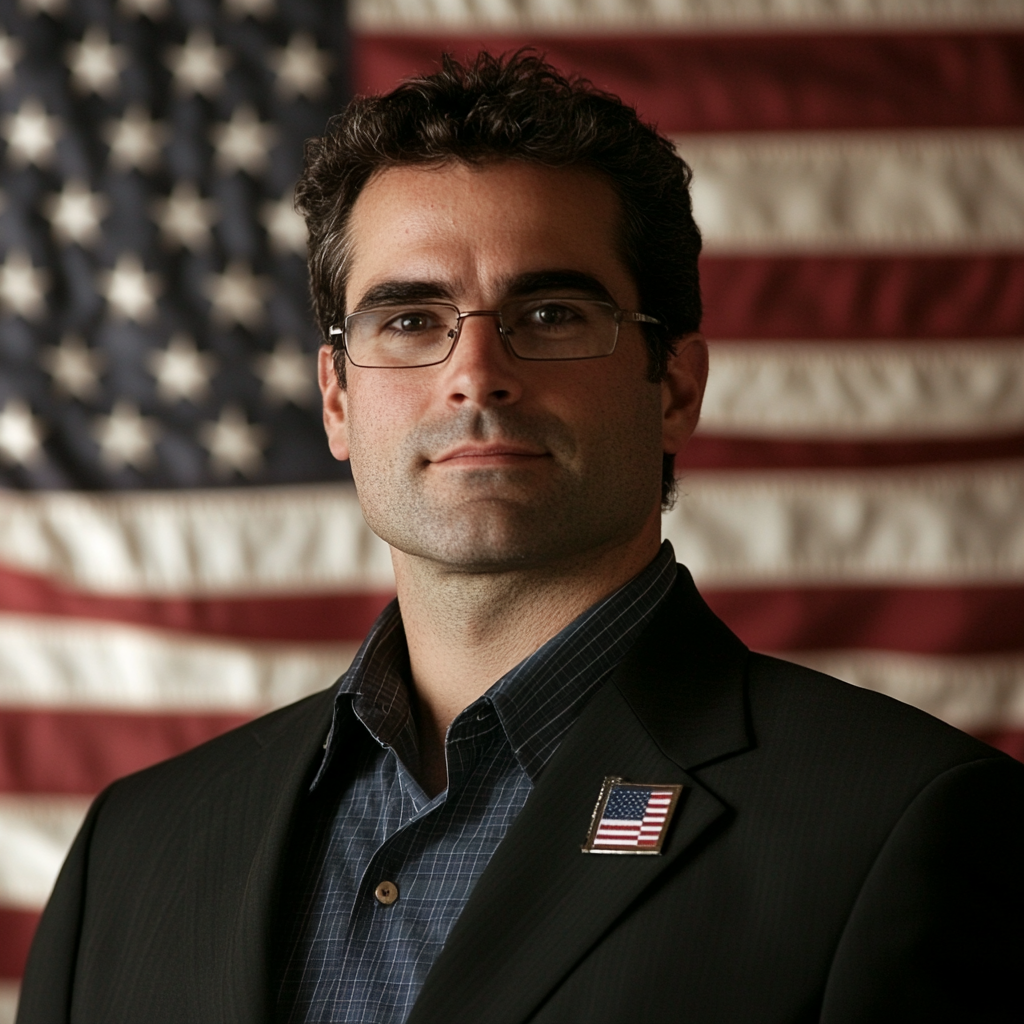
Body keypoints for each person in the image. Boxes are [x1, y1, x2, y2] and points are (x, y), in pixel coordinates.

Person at [18, 52, 1023, 1024]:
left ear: (672, 385)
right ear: (335, 399)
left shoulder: (903, 825)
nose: (476, 374)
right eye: (410, 320)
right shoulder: (133, 849)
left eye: (548, 312)